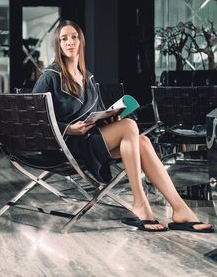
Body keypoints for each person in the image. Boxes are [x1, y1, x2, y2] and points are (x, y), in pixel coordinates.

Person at [32, 19, 214, 233]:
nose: (70, 42)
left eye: (74, 37)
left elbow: (94, 113)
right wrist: (68, 129)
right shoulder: (49, 77)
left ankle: (180, 209)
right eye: (64, 38)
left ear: (81, 41)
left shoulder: (88, 77)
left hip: (91, 139)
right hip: (67, 146)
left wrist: (108, 118)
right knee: (129, 126)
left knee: (143, 141)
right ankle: (140, 203)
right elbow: (36, 118)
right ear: (58, 45)